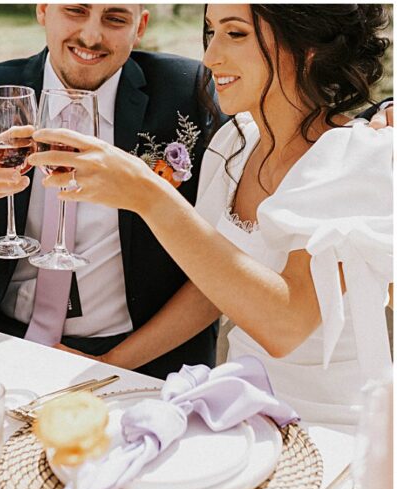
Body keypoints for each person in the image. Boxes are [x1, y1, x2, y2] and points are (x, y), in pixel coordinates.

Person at [32, 4, 392, 430]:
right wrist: (105, 367)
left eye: (235, 34)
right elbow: (211, 289)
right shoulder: (235, 142)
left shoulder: (360, 158)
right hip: (240, 411)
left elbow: (286, 325)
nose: (209, 56)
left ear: (306, 48)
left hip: (333, 428)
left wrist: (149, 196)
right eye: (211, 32)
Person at [0, 4, 222, 379]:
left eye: (115, 18)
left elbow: (222, 256)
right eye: (76, 11)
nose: (91, 36)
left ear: (140, 26)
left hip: (140, 354)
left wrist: (110, 365)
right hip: (1, 333)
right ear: (44, 10)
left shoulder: (186, 91)